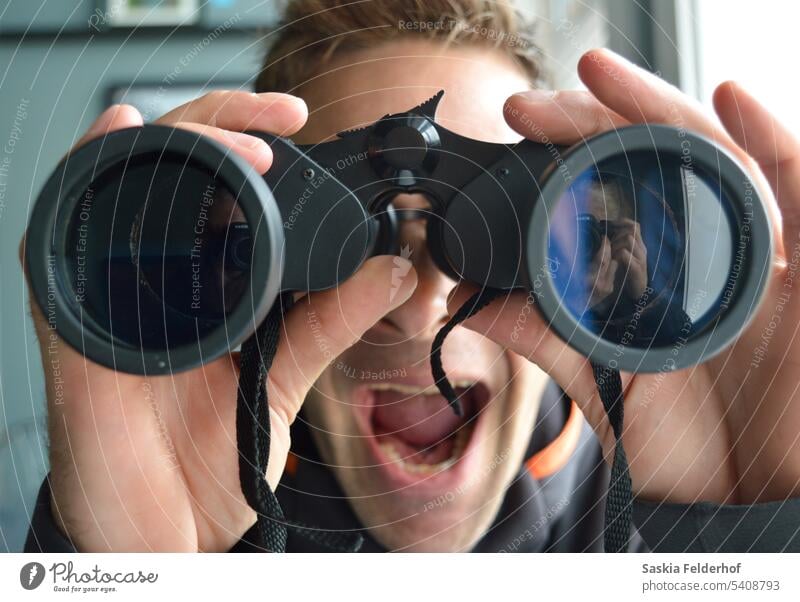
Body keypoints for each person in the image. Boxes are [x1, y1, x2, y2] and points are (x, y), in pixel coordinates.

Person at [22, 0, 800, 552]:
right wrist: (132, 571)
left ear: (599, 256)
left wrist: (743, 524)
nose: (426, 303)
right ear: (256, 262)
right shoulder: (208, 498)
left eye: (500, 229)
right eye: (356, 235)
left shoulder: (656, 479)